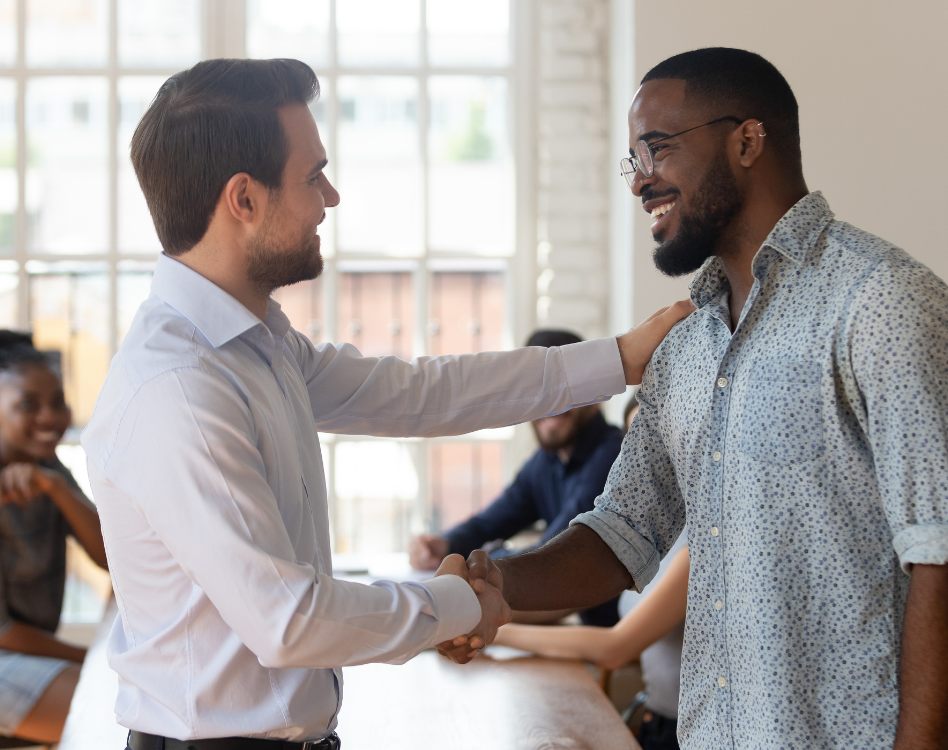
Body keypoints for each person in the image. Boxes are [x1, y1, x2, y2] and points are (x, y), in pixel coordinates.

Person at [80, 58, 692, 749]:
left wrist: (618, 359)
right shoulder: (181, 387)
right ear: (243, 200)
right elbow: (290, 621)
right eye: (313, 176)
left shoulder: (256, 346)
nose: (330, 198)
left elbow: (422, 394)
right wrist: (462, 605)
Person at [448, 48, 948, 750]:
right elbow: (621, 535)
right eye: (632, 159)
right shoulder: (682, 346)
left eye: (656, 148)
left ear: (747, 141)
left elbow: (940, 552)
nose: (639, 182)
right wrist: (491, 584)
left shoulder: (882, 303)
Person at [410, 329, 625, 626]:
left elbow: (551, 555)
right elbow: (490, 522)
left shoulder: (615, 455)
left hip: (613, 649)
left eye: (566, 387)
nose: (552, 401)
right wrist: (443, 545)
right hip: (574, 633)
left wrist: (480, 573)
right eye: (537, 390)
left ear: (596, 393)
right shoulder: (544, 463)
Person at [0, 332, 108, 745]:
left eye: (58, 401)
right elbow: (3, 632)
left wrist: (57, 490)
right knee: (107, 707)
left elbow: (109, 556)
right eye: (28, 404)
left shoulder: (45, 465)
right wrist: (95, 660)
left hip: (18, 655)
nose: (50, 417)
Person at [495, 533, 688, 750]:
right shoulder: (657, 531)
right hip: (657, 721)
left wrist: (497, 633)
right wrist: (492, 614)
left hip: (689, 732)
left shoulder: (701, 547)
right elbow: (569, 597)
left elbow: (617, 648)